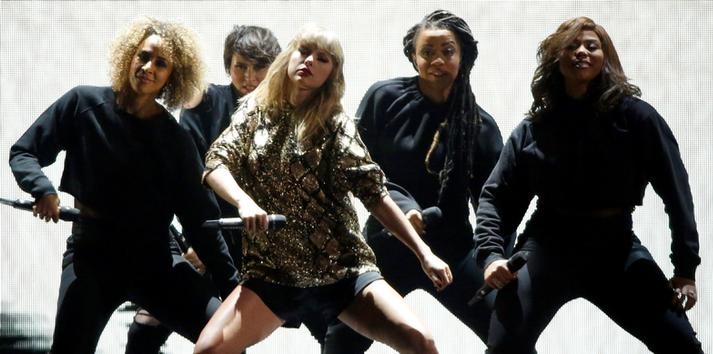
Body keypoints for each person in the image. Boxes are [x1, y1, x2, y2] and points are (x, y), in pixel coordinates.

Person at [192, 23, 451, 354]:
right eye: (304, 51)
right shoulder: (254, 112)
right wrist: (243, 202)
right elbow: (215, 163)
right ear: (288, 57)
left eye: (323, 58)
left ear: (332, 73)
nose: (309, 61)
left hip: (341, 269)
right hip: (273, 271)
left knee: (420, 341)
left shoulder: (335, 124)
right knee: (208, 350)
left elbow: (374, 194)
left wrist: (424, 253)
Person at [8, 17, 239, 354]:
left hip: (156, 259)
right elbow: (24, 151)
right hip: (92, 254)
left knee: (228, 337)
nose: (148, 67)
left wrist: (233, 288)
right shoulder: (82, 103)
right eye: (143, 56)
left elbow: (199, 218)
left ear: (172, 76)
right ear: (129, 56)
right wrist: (42, 189)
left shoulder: (175, 140)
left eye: (161, 64)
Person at [474, 16, 703, 354]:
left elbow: (676, 191)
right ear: (556, 58)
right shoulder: (534, 128)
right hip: (546, 246)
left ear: (605, 57)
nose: (581, 52)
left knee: (681, 344)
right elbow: (498, 196)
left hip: (616, 247)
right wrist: (492, 255)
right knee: (504, 346)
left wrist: (685, 269)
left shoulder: (638, 119)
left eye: (591, 46)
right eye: (572, 46)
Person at [323, 9, 504, 353]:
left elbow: (492, 203)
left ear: (463, 55)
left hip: (453, 249)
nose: (437, 60)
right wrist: (404, 209)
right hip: (386, 244)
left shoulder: (480, 125)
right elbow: (356, 169)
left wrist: (495, 257)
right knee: (341, 339)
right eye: (427, 52)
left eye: (447, 51)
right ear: (413, 56)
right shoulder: (385, 98)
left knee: (509, 332)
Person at [125, 24, 286, 354]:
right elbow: (192, 175)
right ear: (228, 64)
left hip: (259, 238)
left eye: (258, 67)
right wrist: (199, 239)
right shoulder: (207, 101)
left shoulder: (284, 112)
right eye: (240, 65)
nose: (249, 76)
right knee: (157, 317)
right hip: (209, 229)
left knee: (236, 329)